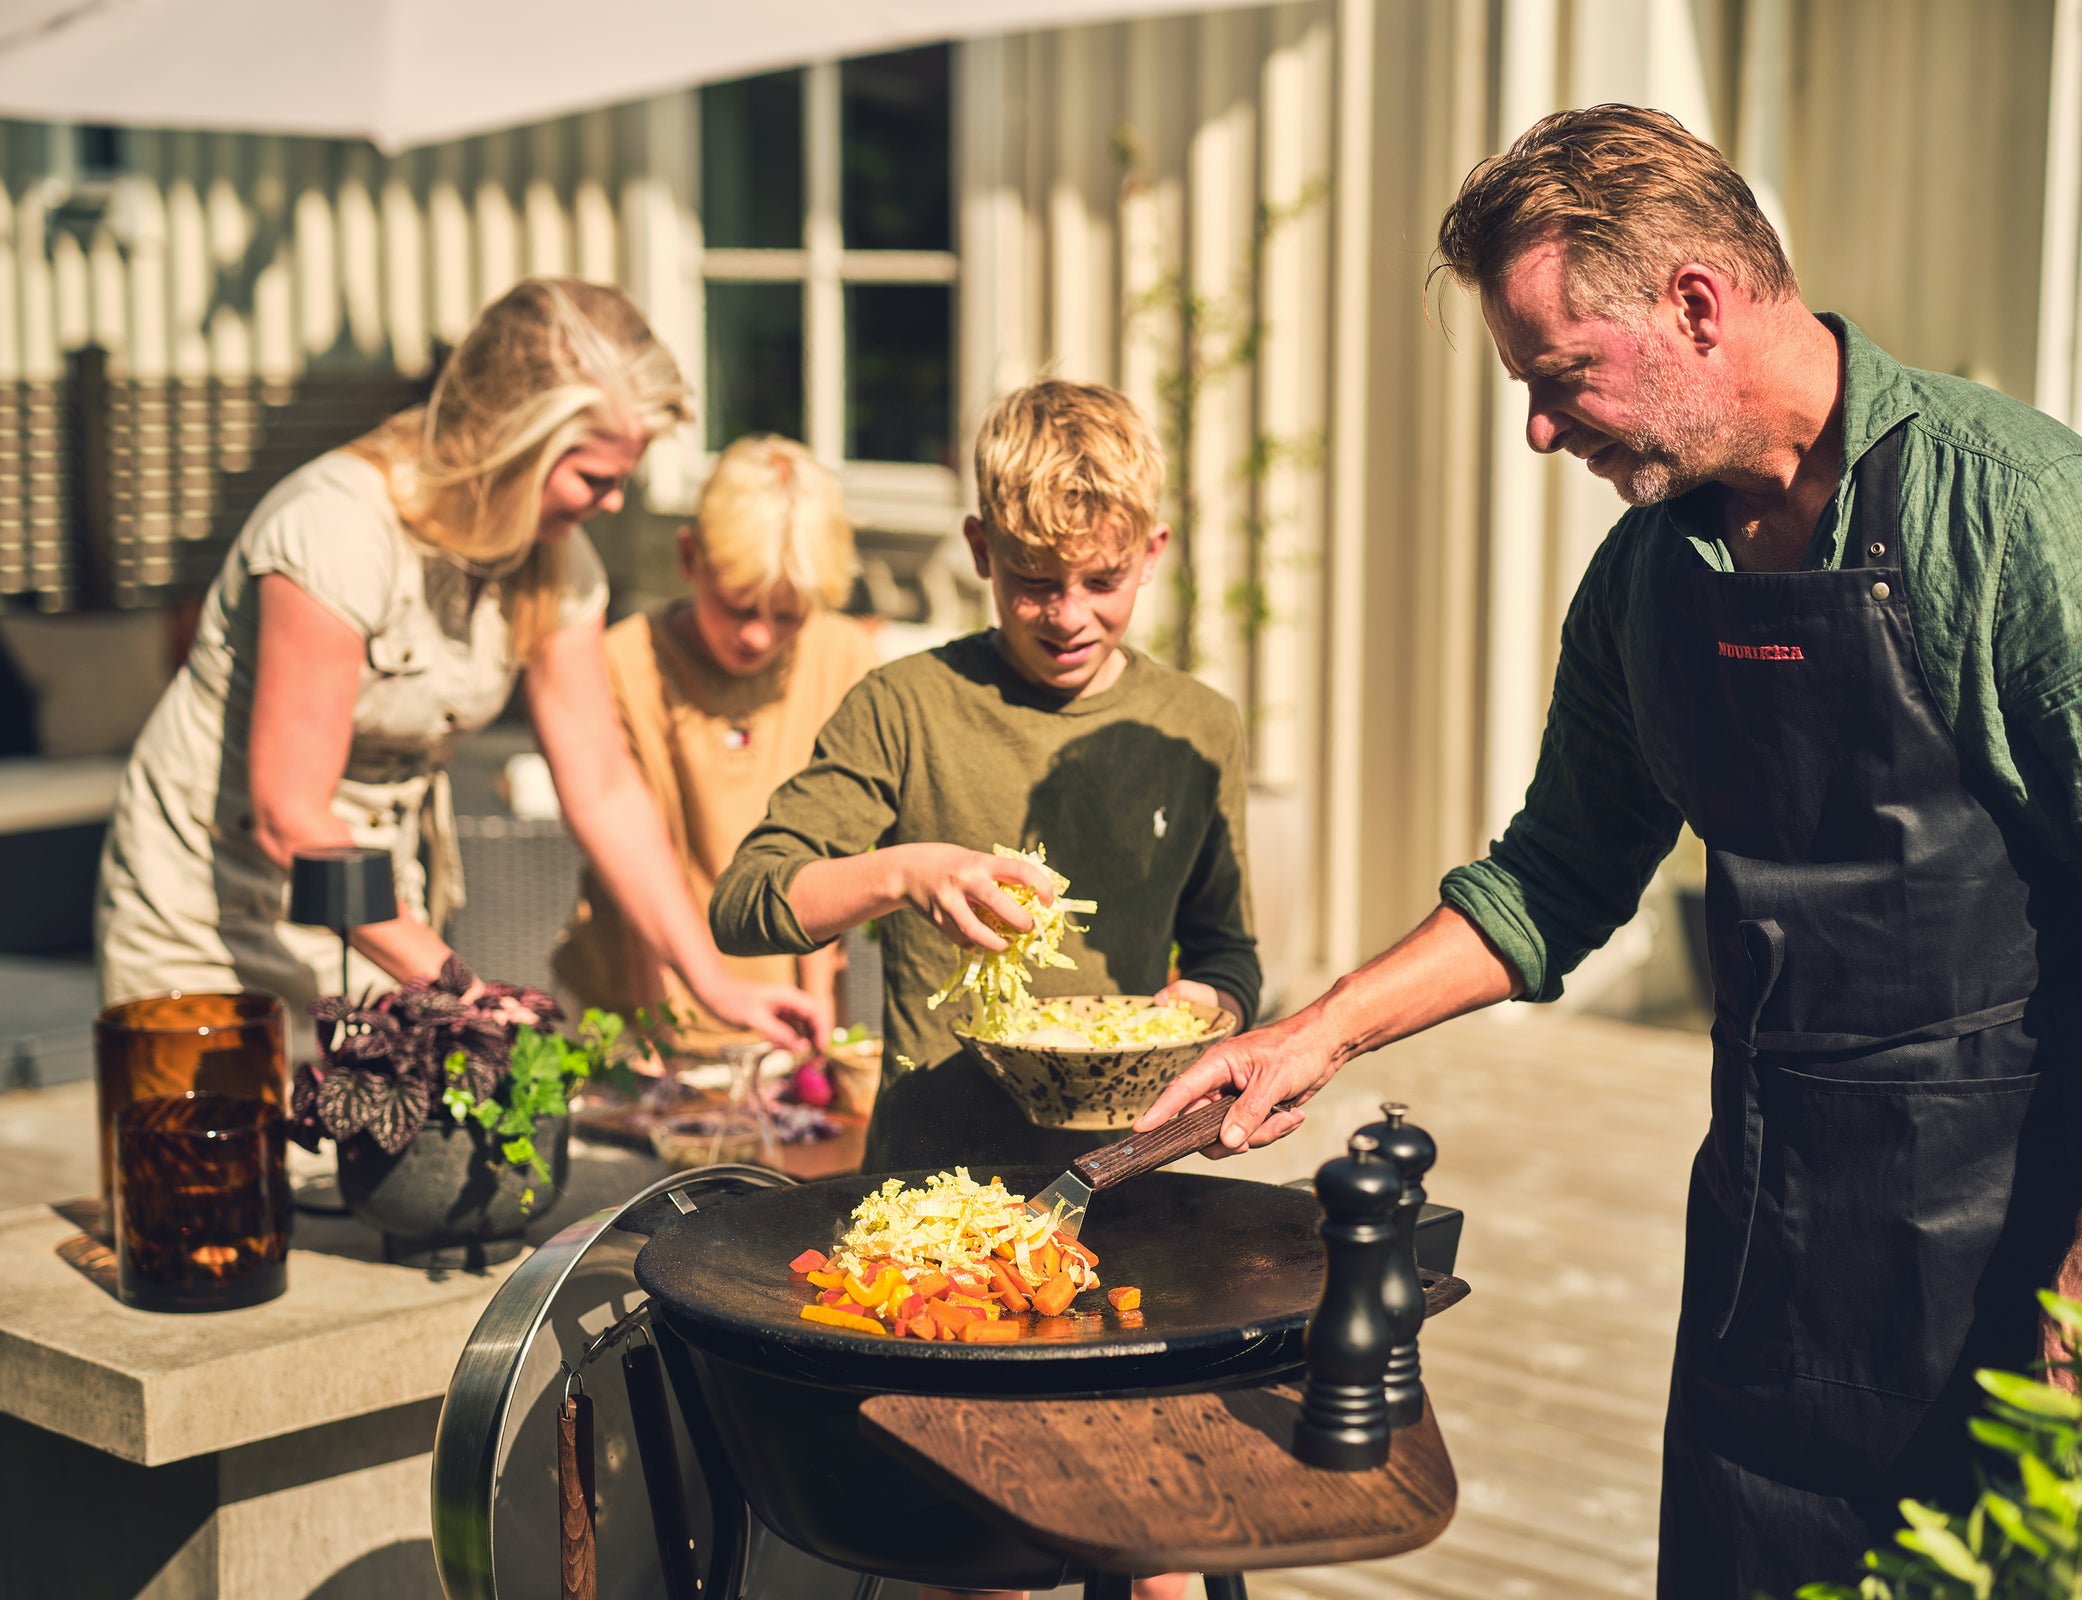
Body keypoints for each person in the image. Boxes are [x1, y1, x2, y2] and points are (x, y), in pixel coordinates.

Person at [1140, 105, 2082, 1598]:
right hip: (1771, 1237)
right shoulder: (1649, 579)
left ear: (1694, 305)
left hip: (2029, 1247)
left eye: (1558, 380)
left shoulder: (2012, 515)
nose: (1540, 431)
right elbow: (1558, 871)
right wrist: (1311, 1036)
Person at [712, 378, 1258, 1600]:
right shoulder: (907, 709)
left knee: (1164, 1535)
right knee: (982, 1555)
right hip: (939, 1206)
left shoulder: (1195, 726)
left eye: (1102, 581)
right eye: (1031, 583)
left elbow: (1229, 955)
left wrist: (1205, 1012)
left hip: (1128, 1188)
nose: (1069, 615)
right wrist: (905, 869)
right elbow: (748, 899)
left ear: (1153, 553)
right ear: (979, 553)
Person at [97, 278, 827, 1055]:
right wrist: (463, 991)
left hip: (377, 920)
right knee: (204, 1161)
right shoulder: (336, 533)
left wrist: (712, 982)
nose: (613, 503)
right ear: (511, 443)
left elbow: (604, 787)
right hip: (209, 918)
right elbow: (292, 818)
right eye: (593, 477)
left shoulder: (555, 562)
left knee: (363, 1166)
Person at [551, 434, 875, 1053]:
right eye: (737, 607)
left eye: (787, 616)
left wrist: (823, 1037)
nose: (757, 637)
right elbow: (640, 865)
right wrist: (660, 1041)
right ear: (690, 557)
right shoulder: (623, 662)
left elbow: (832, 862)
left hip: (786, 1020)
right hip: (627, 1013)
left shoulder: (843, 656)